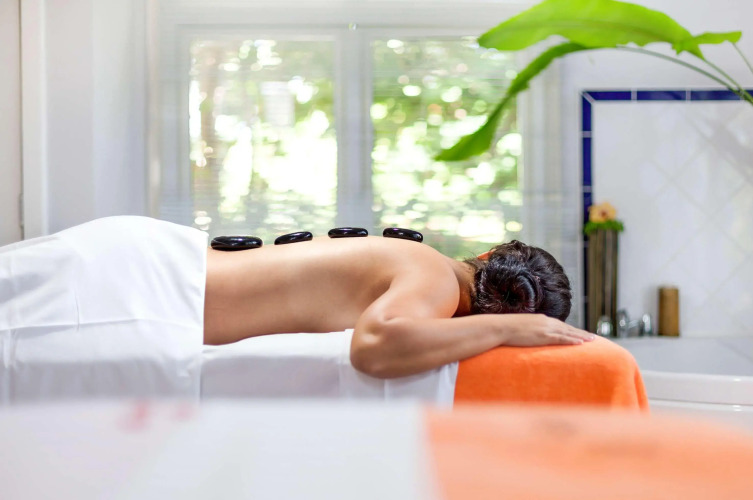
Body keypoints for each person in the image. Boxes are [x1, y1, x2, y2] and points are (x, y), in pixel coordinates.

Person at [204, 233, 595, 379]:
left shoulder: (427, 264)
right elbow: (373, 345)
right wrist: (509, 328)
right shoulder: (439, 278)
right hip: (174, 286)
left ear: (487, 255)